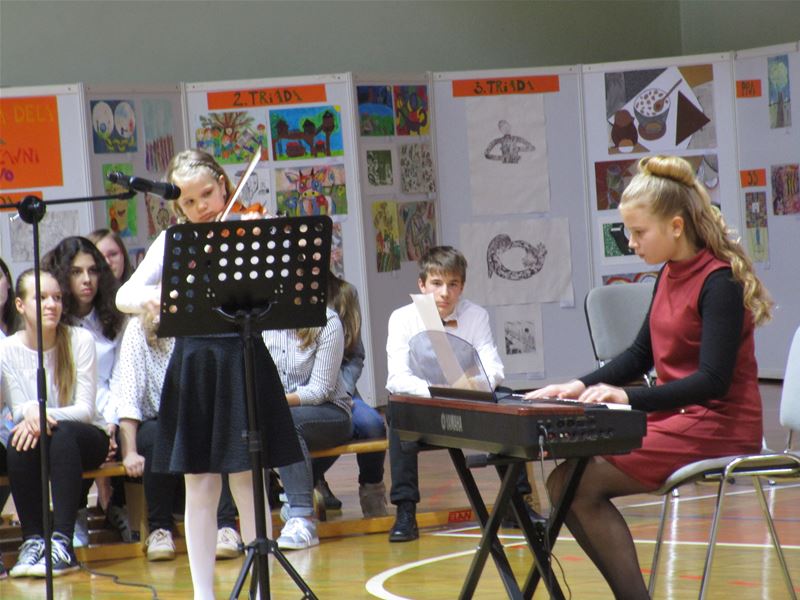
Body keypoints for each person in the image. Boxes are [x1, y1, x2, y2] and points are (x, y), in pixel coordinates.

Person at [525, 155, 772, 600]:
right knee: (564, 481)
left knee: (573, 485)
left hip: (719, 425)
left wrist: (628, 398)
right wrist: (579, 385)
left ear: (676, 227)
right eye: (628, 232)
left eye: (639, 233)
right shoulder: (668, 274)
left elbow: (713, 382)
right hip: (679, 418)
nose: (631, 242)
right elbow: (641, 354)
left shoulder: (720, 283)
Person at [116, 149, 300, 600]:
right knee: (199, 482)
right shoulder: (173, 241)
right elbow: (124, 294)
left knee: (248, 479)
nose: (202, 207)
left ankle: (260, 589)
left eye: (208, 195)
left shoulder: (249, 228)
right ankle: (203, 593)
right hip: (195, 365)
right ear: (178, 206)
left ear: (224, 186)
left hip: (242, 357)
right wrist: (149, 299)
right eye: (189, 202)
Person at [385, 246, 507, 542]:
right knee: (396, 410)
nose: (444, 293)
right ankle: (405, 509)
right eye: (437, 284)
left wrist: (472, 387)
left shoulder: (475, 315)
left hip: (466, 401)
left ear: (462, 287)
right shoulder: (402, 318)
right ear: (422, 285)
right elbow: (397, 378)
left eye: (453, 284)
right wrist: (438, 392)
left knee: (507, 404)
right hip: (425, 404)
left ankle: (517, 502)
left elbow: (494, 369)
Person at [1, 269, 110, 577]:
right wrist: (31, 414)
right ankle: (34, 540)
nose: (52, 305)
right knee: (18, 441)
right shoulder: (7, 349)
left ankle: (63, 542)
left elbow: (85, 410)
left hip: (87, 437)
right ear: (20, 305)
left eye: (58, 298)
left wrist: (38, 413)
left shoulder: (80, 339)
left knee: (59, 436)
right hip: (38, 436)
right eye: (42, 298)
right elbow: (18, 408)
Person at [113, 313, 244, 561]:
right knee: (156, 436)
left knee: (216, 433)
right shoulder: (137, 328)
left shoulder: (200, 321)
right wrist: (129, 451)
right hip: (156, 419)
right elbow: (129, 398)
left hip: (198, 417)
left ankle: (225, 527)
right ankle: (159, 529)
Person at [42, 237, 127, 543]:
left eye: (92, 271)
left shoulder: (115, 316)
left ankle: (121, 509)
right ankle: (73, 515)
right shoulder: (54, 320)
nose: (87, 279)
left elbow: (120, 377)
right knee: (68, 438)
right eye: (77, 272)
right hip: (71, 410)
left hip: (111, 408)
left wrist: (113, 421)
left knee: (135, 433)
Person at [262, 307, 353, 549]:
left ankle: (303, 518)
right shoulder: (260, 321)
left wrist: (274, 403)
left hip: (330, 411)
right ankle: (229, 524)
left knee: (287, 422)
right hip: (275, 414)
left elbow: (320, 390)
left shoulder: (327, 320)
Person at [313, 274, 388, 518]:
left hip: (341, 392)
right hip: (298, 394)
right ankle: (311, 480)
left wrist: (341, 392)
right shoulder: (283, 295)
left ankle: (372, 491)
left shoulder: (345, 292)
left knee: (372, 424)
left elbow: (355, 355)